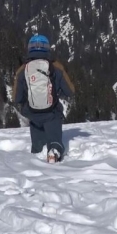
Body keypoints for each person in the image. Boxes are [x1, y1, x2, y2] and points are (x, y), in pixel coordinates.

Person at [12, 34, 75, 163]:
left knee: (37, 146)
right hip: (52, 113)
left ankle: (36, 157)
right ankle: (54, 152)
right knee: (54, 140)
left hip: (33, 113)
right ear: (47, 48)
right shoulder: (56, 67)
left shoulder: (22, 70)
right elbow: (70, 91)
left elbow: (16, 98)